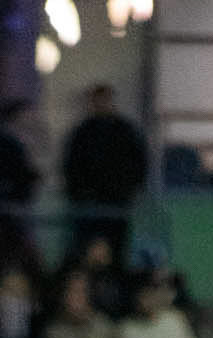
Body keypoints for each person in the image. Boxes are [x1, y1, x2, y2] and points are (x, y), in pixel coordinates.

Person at [62, 85, 149, 258]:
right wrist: (79, 194)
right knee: (85, 249)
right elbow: (72, 166)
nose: (101, 104)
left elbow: (138, 163)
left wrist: (128, 190)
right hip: (88, 203)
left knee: (116, 249)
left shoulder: (125, 131)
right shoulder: (83, 132)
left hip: (117, 202)